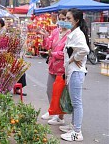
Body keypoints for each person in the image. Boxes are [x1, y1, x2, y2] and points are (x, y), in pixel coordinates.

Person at [60, 8, 89, 142]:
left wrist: (74, 59)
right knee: (74, 101)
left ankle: (77, 132)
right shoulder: (73, 32)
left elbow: (84, 50)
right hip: (72, 71)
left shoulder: (78, 34)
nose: (66, 21)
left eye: (68, 19)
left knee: (77, 103)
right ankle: (73, 126)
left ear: (76, 21)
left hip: (76, 72)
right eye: (65, 18)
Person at [39, 10, 71, 125]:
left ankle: (59, 116)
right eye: (60, 19)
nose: (62, 21)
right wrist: (45, 37)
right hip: (52, 66)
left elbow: (66, 53)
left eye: (65, 19)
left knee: (60, 93)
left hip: (62, 68)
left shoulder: (70, 34)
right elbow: (48, 46)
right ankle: (52, 111)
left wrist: (53, 54)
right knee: (49, 90)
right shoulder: (55, 31)